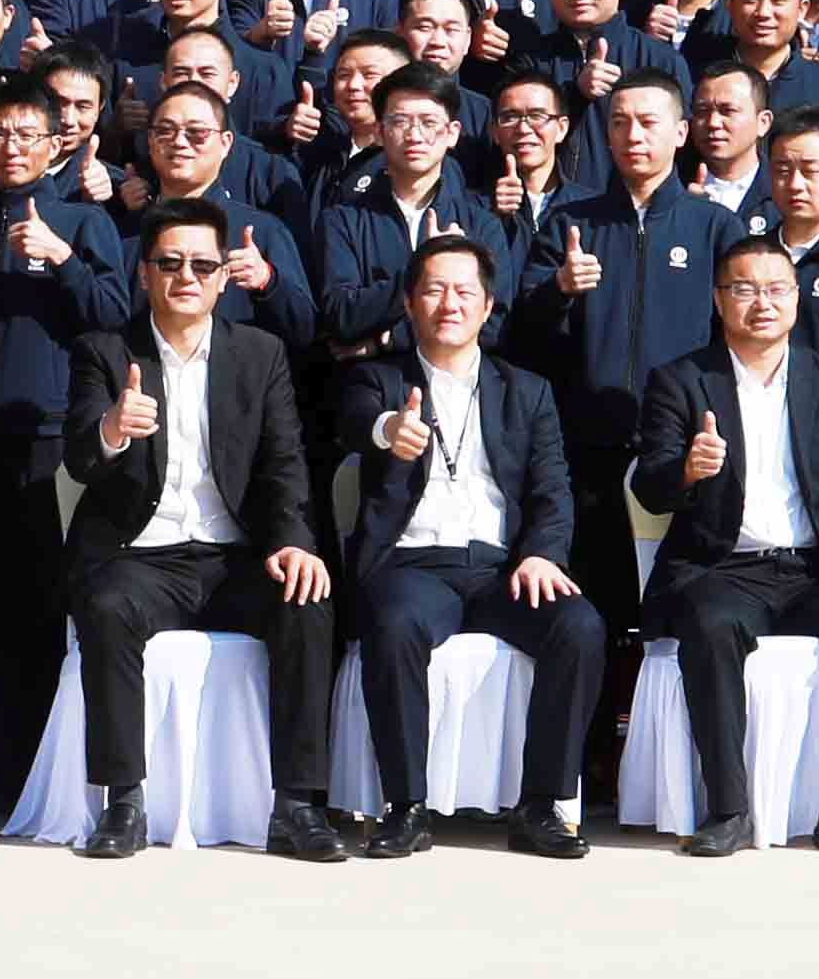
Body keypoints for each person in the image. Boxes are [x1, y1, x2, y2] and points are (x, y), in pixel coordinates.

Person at [57, 206, 352, 861]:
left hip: (233, 555)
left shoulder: (260, 353)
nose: (185, 276)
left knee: (307, 600)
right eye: (169, 263)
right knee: (106, 608)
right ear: (144, 274)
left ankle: (298, 804)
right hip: (140, 556)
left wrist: (294, 541)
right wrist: (111, 429)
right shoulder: (105, 351)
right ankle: (124, 802)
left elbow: (284, 463)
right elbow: (78, 457)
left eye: (201, 264)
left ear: (223, 277)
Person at [634, 237, 819, 858]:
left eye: (775, 289)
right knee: (710, 626)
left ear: (795, 297)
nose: (761, 302)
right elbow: (649, 488)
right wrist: (687, 470)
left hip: (815, 571)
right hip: (721, 568)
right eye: (744, 289)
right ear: (719, 300)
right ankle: (729, 811)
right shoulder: (681, 380)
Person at [337, 234, 603, 858]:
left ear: (487, 307)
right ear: (409, 303)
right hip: (412, 566)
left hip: (502, 570)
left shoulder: (527, 390)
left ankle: (541, 806)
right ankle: (405, 807)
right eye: (433, 290)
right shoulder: (378, 379)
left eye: (464, 291)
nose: (449, 304)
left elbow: (552, 488)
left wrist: (542, 554)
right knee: (394, 625)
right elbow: (356, 420)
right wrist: (388, 429)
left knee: (580, 627)